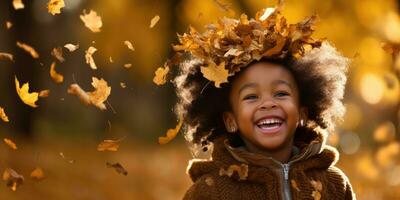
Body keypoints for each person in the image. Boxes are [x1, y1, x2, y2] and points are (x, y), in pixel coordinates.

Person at [165, 6, 356, 200]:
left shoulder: (333, 184)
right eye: (251, 97)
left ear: (302, 113)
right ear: (231, 120)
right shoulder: (211, 191)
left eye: (281, 93)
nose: (267, 104)